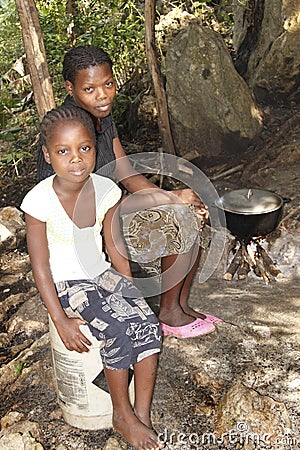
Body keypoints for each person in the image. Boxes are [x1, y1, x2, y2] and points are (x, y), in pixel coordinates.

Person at [37, 45, 221, 338]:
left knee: (186, 214)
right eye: (90, 88)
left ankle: (177, 307)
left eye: (108, 84)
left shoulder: (102, 117)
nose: (102, 95)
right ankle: (170, 314)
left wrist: (171, 200)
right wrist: (170, 199)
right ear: (70, 88)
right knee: (176, 220)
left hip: (109, 212)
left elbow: (125, 171)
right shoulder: (68, 129)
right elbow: (91, 205)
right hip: (82, 231)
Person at [21, 106, 164, 450]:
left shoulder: (106, 190)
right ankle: (121, 413)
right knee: (116, 329)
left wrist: (129, 287)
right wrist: (59, 318)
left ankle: (140, 414)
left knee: (147, 323)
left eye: (84, 148)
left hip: (100, 273)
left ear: (95, 149)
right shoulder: (39, 201)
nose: (76, 159)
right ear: (48, 155)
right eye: (63, 151)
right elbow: (40, 265)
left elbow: (115, 247)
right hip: (65, 283)